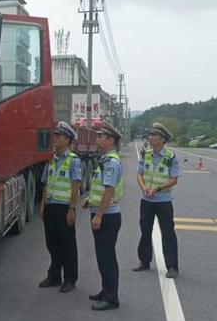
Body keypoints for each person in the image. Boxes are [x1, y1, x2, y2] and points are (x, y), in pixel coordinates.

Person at [133, 122, 182, 278]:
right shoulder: (146, 154)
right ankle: (145, 261)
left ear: (162, 139)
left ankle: (172, 266)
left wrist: (157, 189)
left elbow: (174, 179)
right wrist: (143, 188)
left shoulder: (170, 157)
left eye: (154, 135)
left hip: (163, 201)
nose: (150, 137)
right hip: (146, 200)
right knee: (145, 231)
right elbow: (139, 174)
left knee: (167, 233)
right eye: (151, 135)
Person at [38, 121, 82, 293]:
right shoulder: (51, 159)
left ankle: (70, 278)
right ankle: (54, 275)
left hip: (64, 208)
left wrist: (72, 209)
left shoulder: (73, 160)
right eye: (55, 135)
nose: (54, 139)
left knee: (67, 244)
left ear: (67, 139)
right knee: (52, 242)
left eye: (58, 136)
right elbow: (46, 183)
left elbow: (75, 185)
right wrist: (42, 205)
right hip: (51, 206)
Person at [86, 121, 124, 311]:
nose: (97, 139)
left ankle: (111, 298)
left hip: (107, 217)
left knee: (107, 257)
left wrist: (98, 215)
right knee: (102, 257)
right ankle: (106, 290)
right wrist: (90, 201)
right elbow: (100, 189)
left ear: (110, 140)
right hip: (102, 213)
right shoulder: (104, 160)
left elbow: (109, 190)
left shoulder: (111, 162)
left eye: (101, 137)